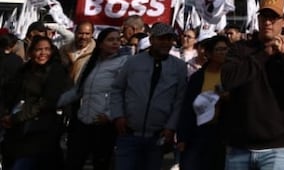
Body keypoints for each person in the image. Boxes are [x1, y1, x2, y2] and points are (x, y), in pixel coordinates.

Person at [220, 0, 284, 169]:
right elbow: (228, 80)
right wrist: (263, 55)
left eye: (273, 17)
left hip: (276, 148)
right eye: (264, 17)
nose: (267, 22)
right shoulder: (240, 49)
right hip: (240, 145)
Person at [110, 22, 188, 170]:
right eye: (161, 39)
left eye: (169, 39)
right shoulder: (133, 62)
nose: (165, 43)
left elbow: (179, 100)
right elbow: (117, 89)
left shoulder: (179, 66)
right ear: (151, 40)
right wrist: (118, 115)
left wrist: (171, 126)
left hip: (157, 136)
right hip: (129, 133)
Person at [0, 37, 71, 169]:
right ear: (31, 51)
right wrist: (5, 114)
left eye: (47, 49)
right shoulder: (24, 70)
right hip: (17, 129)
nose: (43, 53)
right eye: (39, 49)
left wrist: (17, 117)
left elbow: (46, 102)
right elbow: (10, 93)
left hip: (40, 129)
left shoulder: (56, 71)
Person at [64, 27, 128, 170]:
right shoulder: (91, 62)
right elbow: (78, 90)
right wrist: (57, 102)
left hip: (104, 123)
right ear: (100, 44)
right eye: (110, 40)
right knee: (73, 161)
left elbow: (125, 93)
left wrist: (110, 115)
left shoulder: (124, 63)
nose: (115, 43)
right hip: (84, 120)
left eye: (118, 40)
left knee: (101, 163)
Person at [176, 35, 230, 170]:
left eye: (225, 49)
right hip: (198, 133)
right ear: (209, 54)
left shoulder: (232, 76)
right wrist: (182, 137)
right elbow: (187, 107)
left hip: (222, 134)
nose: (223, 53)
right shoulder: (197, 77)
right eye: (219, 49)